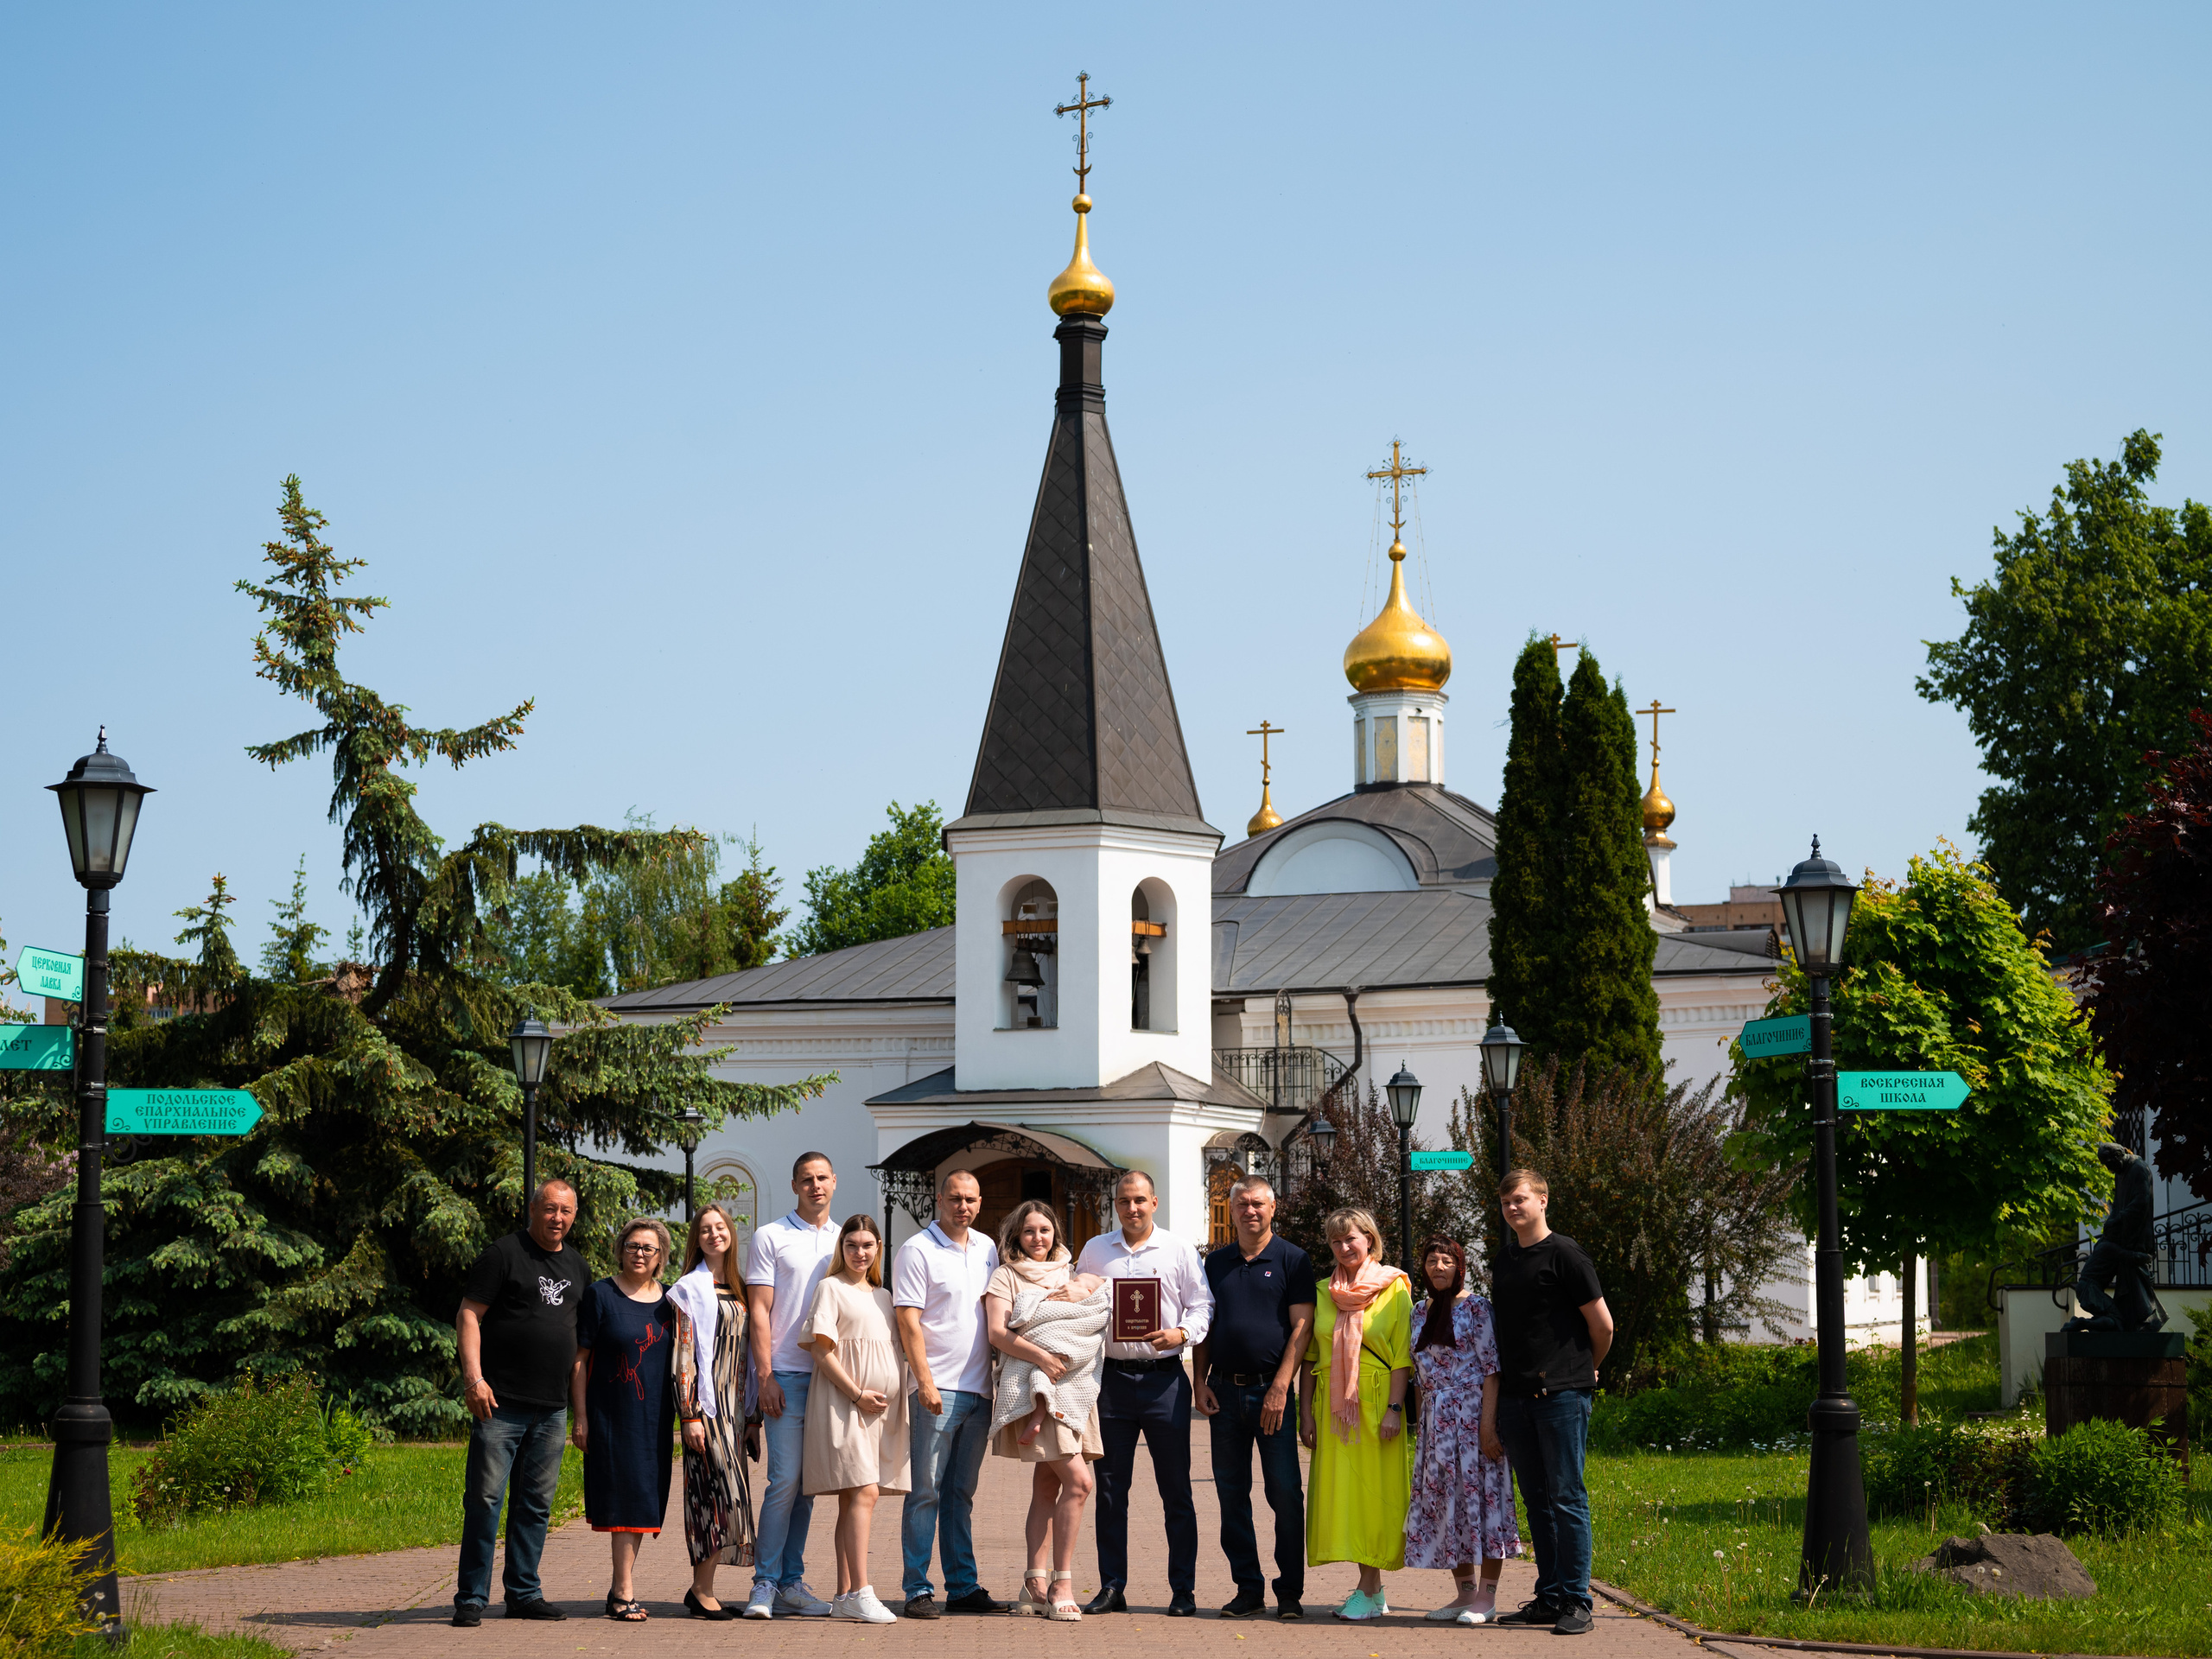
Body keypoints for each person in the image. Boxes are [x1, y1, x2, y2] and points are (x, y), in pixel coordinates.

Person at [1074, 1169, 1213, 1617]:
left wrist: (1182, 1333)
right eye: (1123, 1201)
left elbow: (1202, 1303)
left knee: (1176, 1491)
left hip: (1164, 1381)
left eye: (1139, 1200)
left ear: (1155, 1202)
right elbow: (1076, 1302)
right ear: (1116, 1205)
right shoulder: (1095, 1251)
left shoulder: (1177, 1250)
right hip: (1110, 1382)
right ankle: (1113, 1585)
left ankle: (1183, 1590)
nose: (1131, 1208)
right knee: (1111, 1489)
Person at [452, 1177, 589, 1627]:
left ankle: (523, 1593)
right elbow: (469, 1313)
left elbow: (580, 1342)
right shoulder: (503, 1254)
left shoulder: (576, 1265)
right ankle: (472, 1596)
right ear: (533, 1210)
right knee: (486, 1500)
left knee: (535, 1504)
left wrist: (579, 1409)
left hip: (551, 1409)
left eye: (566, 1211)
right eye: (550, 1209)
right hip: (501, 1404)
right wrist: (474, 1378)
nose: (558, 1218)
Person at [1490, 1169, 1613, 1637]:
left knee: (1567, 1497)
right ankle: (1550, 1596)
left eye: (1520, 1199)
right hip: (1517, 1399)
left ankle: (1578, 1600)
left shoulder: (1565, 1253)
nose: (1512, 1208)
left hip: (1561, 1396)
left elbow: (1602, 1325)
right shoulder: (1504, 1260)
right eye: (1505, 1202)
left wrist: (1583, 1369)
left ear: (1543, 1200)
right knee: (1537, 1502)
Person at [1192, 1174, 1314, 1622]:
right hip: (1223, 1393)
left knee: (1284, 1493)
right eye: (1242, 1204)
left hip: (1271, 1393)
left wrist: (1282, 1387)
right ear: (1232, 1210)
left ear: (1273, 1208)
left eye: (1258, 1203)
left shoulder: (1293, 1260)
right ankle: (1247, 1589)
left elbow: (1302, 1328)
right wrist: (1198, 1381)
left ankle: (1289, 1593)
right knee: (1231, 1495)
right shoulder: (1215, 1263)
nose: (1250, 1211)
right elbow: (1203, 1324)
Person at [984, 1198, 1109, 1620]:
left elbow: (1089, 1318)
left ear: (1056, 1233)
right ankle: (1062, 1584)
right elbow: (999, 1332)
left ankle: (1033, 1583)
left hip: (1071, 1387)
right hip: (1037, 1385)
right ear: (1016, 1236)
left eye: (1045, 1230)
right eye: (1029, 1231)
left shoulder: (1070, 1273)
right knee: (1079, 1483)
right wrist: (1041, 1357)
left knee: (1046, 1488)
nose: (1038, 1238)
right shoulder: (1005, 1276)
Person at [890, 1170, 1005, 1618]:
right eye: (955, 1198)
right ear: (940, 1199)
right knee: (926, 1492)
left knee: (961, 1493)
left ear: (980, 1202)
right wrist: (924, 1381)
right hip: (938, 1389)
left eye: (971, 1199)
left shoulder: (987, 1248)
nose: (963, 1206)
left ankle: (962, 1586)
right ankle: (917, 1588)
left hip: (979, 1389)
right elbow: (907, 1319)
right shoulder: (918, 1249)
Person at [1299, 1205, 1413, 1622]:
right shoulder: (1323, 1290)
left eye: (1352, 1238)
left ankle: (1369, 1588)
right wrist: (1305, 1415)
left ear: (1370, 1239)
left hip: (1378, 1401)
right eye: (1336, 1240)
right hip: (1333, 1405)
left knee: (1373, 1495)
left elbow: (1402, 1355)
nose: (1345, 1246)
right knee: (1343, 1496)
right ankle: (1372, 1590)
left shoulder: (1394, 1286)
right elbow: (1312, 1355)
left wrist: (1394, 1410)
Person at [741, 1151, 842, 1620]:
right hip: (786, 1375)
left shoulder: (846, 1240)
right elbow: (758, 1310)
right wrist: (765, 1377)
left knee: (809, 1486)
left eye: (822, 1178)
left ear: (834, 1183)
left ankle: (790, 1582)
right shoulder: (771, 1236)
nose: (815, 1186)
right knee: (783, 1481)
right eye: (807, 1179)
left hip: (832, 1378)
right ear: (794, 1185)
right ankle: (763, 1583)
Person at [798, 1213, 911, 1624]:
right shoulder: (831, 1288)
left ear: (878, 1248)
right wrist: (858, 1394)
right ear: (841, 1248)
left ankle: (845, 1595)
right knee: (864, 1492)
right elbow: (821, 1350)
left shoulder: (884, 1295)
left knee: (854, 1499)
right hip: (844, 1403)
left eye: (867, 1245)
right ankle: (863, 1591)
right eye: (851, 1245)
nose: (860, 1252)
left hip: (880, 1413)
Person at [1405, 1235, 1518, 1625]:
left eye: (1446, 1261)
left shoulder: (1477, 1308)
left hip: (1472, 1416)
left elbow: (1491, 1370)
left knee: (1483, 1504)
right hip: (1436, 1422)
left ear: (1459, 1266)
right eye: (1432, 1260)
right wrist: (1422, 1430)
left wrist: (1488, 1428)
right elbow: (1419, 1378)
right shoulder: (1419, 1312)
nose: (1438, 1267)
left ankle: (1487, 1598)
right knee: (1445, 1506)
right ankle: (1464, 1593)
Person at [571, 1217, 680, 1622]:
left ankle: (621, 1586)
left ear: (660, 1257)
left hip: (655, 1418)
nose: (640, 1254)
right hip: (612, 1415)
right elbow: (580, 1360)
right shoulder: (599, 1295)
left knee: (645, 1498)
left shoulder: (671, 1302)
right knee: (622, 1498)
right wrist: (580, 1417)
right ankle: (622, 1591)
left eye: (648, 1249)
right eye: (633, 1246)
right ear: (620, 1249)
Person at [670, 1203, 760, 1620]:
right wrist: (688, 1414)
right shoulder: (690, 1288)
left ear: (731, 1233)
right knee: (714, 1496)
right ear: (697, 1238)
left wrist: (753, 1418)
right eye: (705, 1229)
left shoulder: (740, 1287)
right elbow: (683, 1355)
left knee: (731, 1498)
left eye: (720, 1227)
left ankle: (703, 1589)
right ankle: (701, 1590)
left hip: (735, 1411)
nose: (713, 1234)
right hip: (706, 1409)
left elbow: (751, 1357)